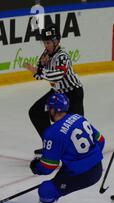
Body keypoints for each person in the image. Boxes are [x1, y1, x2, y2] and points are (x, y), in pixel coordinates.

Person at [25, 93, 105, 203]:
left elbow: (48, 167)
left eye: (49, 108)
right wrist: (85, 158)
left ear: (54, 110)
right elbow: (101, 140)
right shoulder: (79, 118)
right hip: (97, 167)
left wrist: (35, 167)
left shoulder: (52, 133)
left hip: (82, 174)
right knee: (56, 185)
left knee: (47, 189)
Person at [23, 25, 84, 155]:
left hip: (72, 93)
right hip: (58, 92)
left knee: (75, 125)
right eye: (44, 42)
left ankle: (78, 151)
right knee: (36, 112)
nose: (46, 45)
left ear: (56, 42)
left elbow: (56, 76)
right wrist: (38, 69)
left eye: (48, 42)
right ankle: (51, 145)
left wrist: (37, 70)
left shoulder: (63, 56)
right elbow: (40, 75)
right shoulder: (46, 54)